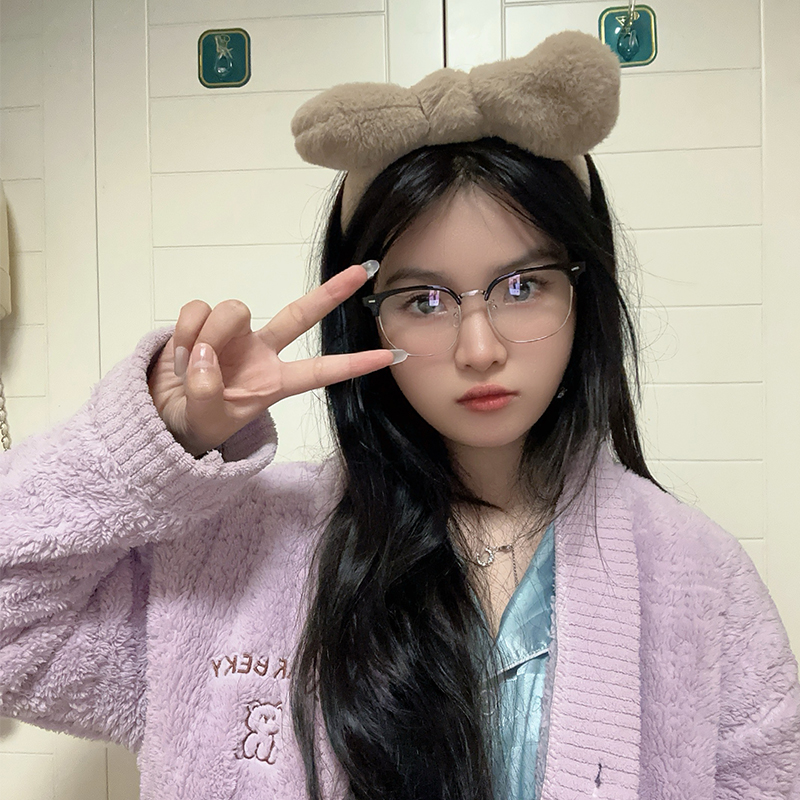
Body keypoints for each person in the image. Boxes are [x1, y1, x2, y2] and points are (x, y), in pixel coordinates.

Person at [1, 31, 798, 800]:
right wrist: (153, 448)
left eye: (524, 287)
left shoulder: (699, 578)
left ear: (583, 296)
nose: (480, 349)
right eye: (424, 300)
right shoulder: (234, 558)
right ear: (367, 320)